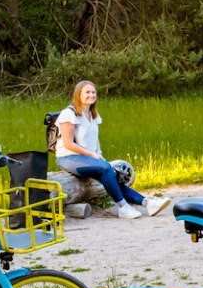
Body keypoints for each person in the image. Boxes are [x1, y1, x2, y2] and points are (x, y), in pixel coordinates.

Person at [55, 80, 171, 219]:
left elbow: (94, 140)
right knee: (105, 169)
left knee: (110, 174)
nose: (91, 95)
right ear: (78, 94)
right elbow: (68, 144)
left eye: (93, 92)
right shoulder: (69, 114)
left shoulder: (93, 114)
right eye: (87, 92)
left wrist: (99, 155)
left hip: (87, 158)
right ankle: (123, 207)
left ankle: (148, 203)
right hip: (68, 158)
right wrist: (92, 154)